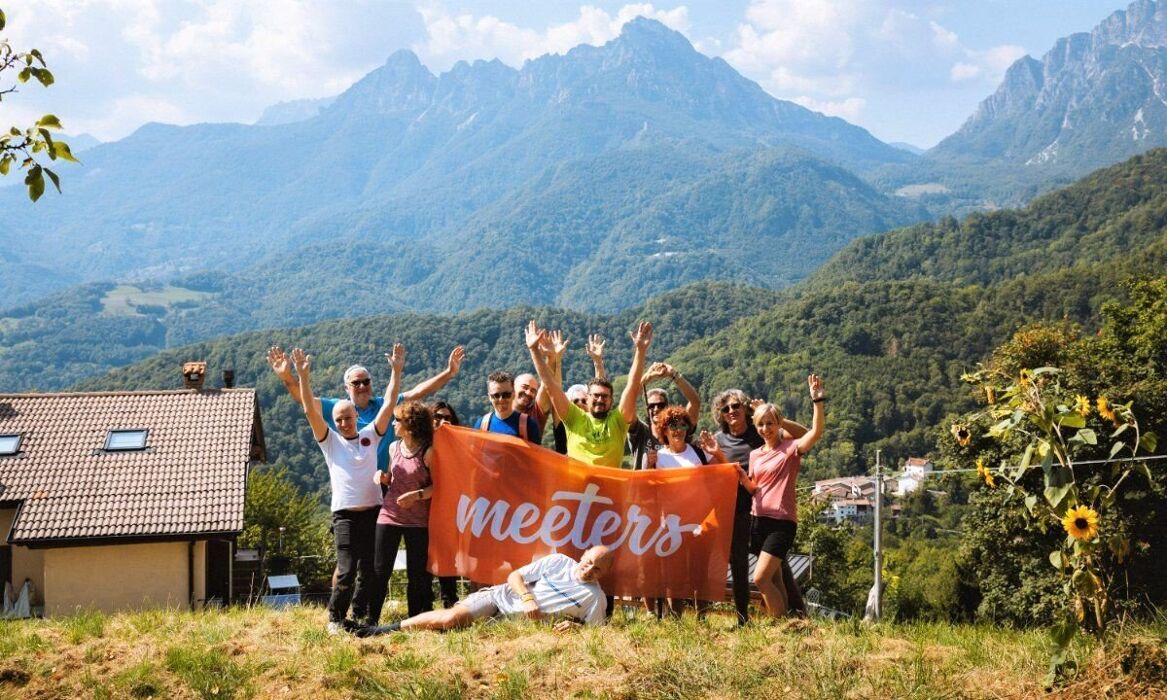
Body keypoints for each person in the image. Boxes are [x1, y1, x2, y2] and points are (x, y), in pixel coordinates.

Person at [288, 345, 403, 634]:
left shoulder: (371, 435)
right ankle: (335, 620)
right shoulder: (329, 441)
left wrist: (396, 371)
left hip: (374, 513)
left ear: (355, 416)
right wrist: (302, 376)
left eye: (348, 417)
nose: (343, 422)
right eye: (338, 419)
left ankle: (361, 617)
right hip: (345, 517)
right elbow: (307, 408)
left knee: (369, 572)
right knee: (347, 570)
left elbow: (389, 403)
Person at [713, 389, 809, 625]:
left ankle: (795, 615)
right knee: (739, 564)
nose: (731, 411)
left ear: (746, 409)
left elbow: (802, 435)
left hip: (766, 512)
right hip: (736, 510)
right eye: (725, 409)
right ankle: (743, 618)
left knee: (777, 569)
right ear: (721, 415)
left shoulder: (763, 432)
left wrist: (773, 417)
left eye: (736, 406)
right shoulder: (720, 440)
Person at [360, 546, 614, 634]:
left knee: (455, 632)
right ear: (583, 555)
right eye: (588, 561)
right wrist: (527, 597)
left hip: (518, 628)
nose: (589, 569)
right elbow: (515, 575)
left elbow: (595, 633)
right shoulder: (559, 561)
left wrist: (576, 628)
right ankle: (378, 631)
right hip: (501, 599)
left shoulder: (596, 599)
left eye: (597, 569)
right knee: (450, 620)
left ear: (604, 574)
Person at [740, 375, 826, 618]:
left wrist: (817, 401)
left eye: (770, 423)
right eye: (761, 425)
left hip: (781, 523)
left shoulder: (790, 449)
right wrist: (742, 479)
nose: (765, 429)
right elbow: (755, 487)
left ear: (779, 425)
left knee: (760, 578)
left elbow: (816, 433)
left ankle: (778, 625)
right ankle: (790, 624)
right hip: (758, 522)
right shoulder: (755, 454)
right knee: (775, 579)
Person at [528, 320, 652, 468]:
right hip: (577, 490)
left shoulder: (618, 421)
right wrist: (534, 350)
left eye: (605, 397)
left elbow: (632, 386)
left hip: (610, 490)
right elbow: (550, 386)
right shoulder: (574, 418)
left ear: (612, 401)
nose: (600, 399)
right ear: (588, 398)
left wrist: (640, 350)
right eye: (596, 396)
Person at [366, 401, 437, 625]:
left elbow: (438, 487)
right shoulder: (393, 448)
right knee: (379, 569)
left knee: (417, 574)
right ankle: (371, 619)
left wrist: (415, 496)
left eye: (398, 420)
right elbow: (392, 477)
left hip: (418, 521)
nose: (394, 424)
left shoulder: (428, 452)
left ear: (411, 425)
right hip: (389, 514)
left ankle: (414, 620)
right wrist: (383, 477)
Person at [627, 362, 701, 469]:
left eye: (660, 405)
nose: (656, 409)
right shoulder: (639, 431)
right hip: (645, 484)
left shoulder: (679, 430)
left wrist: (675, 375)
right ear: (646, 408)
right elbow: (629, 401)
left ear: (667, 407)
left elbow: (695, 402)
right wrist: (648, 377)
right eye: (651, 406)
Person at [430, 400, 463, 608]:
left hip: (449, 507)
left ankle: (449, 602)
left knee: (447, 557)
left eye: (447, 417)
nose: (443, 421)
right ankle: (422, 603)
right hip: (422, 508)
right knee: (421, 557)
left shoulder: (460, 445)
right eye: (438, 417)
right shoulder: (420, 444)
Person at [479, 370, 541, 442]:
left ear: (513, 394)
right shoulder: (482, 424)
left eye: (506, 395)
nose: (501, 399)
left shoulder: (529, 425)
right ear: (489, 397)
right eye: (496, 395)